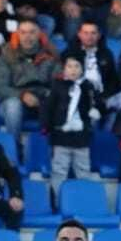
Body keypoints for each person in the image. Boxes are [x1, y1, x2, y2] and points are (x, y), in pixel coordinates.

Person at [0, 21, 58, 146]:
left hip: (42, 101)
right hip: (12, 102)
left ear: (39, 34)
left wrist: (44, 96)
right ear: (17, 34)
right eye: (23, 32)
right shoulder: (7, 54)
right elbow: (0, 87)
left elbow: (58, 84)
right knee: (13, 105)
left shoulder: (50, 54)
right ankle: (14, 149)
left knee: (59, 103)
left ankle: (50, 150)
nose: (27, 37)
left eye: (32, 32)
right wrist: (22, 95)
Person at [46, 55, 100, 200]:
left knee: (83, 171)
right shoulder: (57, 85)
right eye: (69, 66)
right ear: (64, 69)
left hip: (81, 137)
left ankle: (83, 200)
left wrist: (96, 110)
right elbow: (49, 108)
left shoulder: (88, 86)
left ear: (82, 69)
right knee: (59, 171)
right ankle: (57, 201)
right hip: (61, 136)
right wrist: (47, 126)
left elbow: (97, 103)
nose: (73, 70)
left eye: (77, 66)